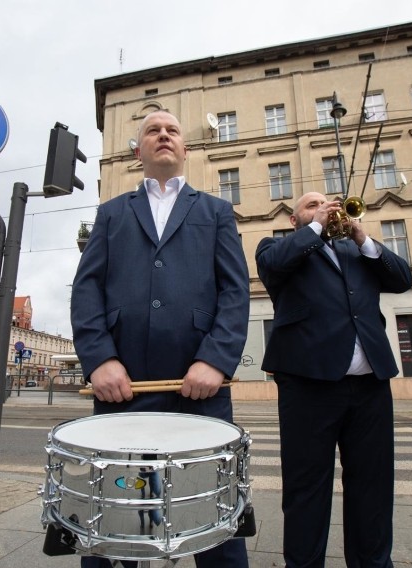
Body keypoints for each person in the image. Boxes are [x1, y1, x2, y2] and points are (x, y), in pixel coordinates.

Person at [70, 109, 250, 568]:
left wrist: (216, 359)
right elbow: (87, 288)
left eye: (173, 130)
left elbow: (234, 290)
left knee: (213, 517)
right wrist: (99, 360)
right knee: (116, 520)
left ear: (185, 149)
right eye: (153, 130)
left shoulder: (216, 211)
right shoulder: (111, 213)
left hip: (200, 389)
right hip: (121, 390)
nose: (164, 135)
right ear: (138, 150)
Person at [255, 192, 412, 568]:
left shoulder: (356, 250)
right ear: (294, 221)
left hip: (370, 383)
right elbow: (273, 266)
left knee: (373, 486)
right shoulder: (278, 248)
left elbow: (403, 279)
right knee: (307, 489)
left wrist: (362, 237)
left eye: (328, 204)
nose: (326, 208)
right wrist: (316, 226)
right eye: (312, 205)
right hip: (308, 385)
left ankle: (373, 563)